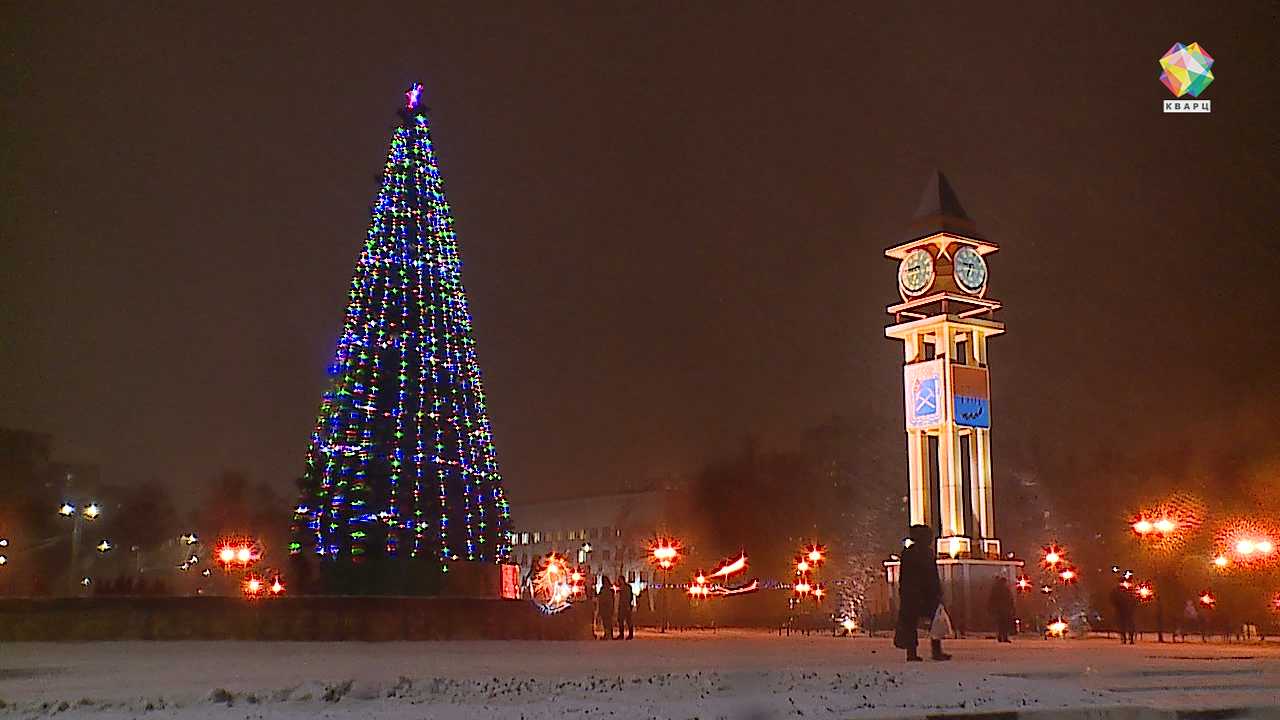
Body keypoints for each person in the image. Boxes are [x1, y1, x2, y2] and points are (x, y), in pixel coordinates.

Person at [894, 524, 950, 661]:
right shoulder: (925, 554)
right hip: (926, 594)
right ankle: (935, 651)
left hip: (912, 595)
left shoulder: (908, 553)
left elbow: (904, 577)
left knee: (911, 623)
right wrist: (937, 592)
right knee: (934, 621)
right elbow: (931, 575)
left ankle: (912, 652)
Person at [987, 576, 1015, 643]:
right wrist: (1012, 608)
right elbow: (1010, 600)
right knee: (1004, 624)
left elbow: (991, 600)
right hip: (1004, 610)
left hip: (1000, 610)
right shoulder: (1005, 590)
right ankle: (1003, 637)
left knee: (1001, 624)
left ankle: (1001, 636)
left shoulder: (996, 590)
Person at [616, 573, 635, 640]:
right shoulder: (624, 587)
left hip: (625, 606)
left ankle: (628, 634)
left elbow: (628, 597)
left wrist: (627, 604)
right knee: (622, 620)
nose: (618, 581)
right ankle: (623, 634)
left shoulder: (625, 588)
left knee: (627, 620)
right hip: (624, 606)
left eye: (619, 580)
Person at [596, 575, 616, 640]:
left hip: (605, 608)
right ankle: (609, 634)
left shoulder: (604, 589)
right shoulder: (610, 589)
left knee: (606, 622)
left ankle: (608, 634)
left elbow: (602, 598)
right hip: (608, 608)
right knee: (608, 622)